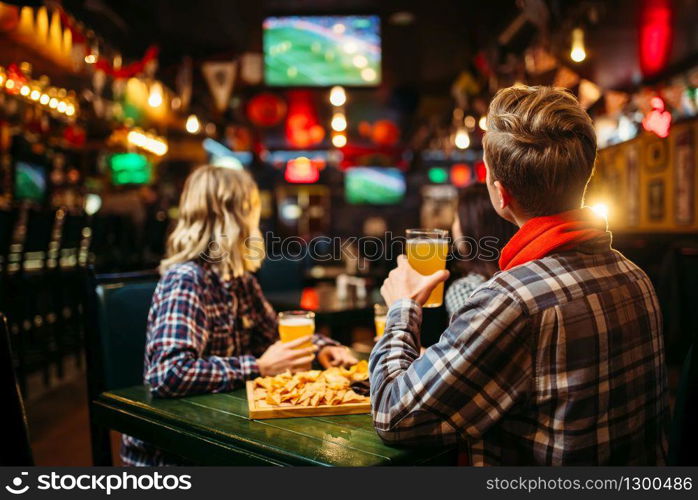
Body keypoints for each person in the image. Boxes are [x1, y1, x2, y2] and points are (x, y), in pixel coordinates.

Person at [370, 86, 669, 466]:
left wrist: (401, 308)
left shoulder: (510, 301)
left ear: (500, 195)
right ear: (585, 176)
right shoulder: (636, 277)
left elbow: (394, 417)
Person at [121, 166, 355, 466]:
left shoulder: (239, 281)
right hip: (173, 455)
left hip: (216, 435)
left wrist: (324, 348)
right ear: (233, 218)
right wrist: (257, 366)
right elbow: (166, 374)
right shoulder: (186, 280)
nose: (255, 224)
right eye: (251, 211)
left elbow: (275, 333)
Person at [445, 184, 516, 318]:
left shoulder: (465, 288)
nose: (452, 226)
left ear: (471, 226)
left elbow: (466, 338)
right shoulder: (522, 275)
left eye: (456, 218)